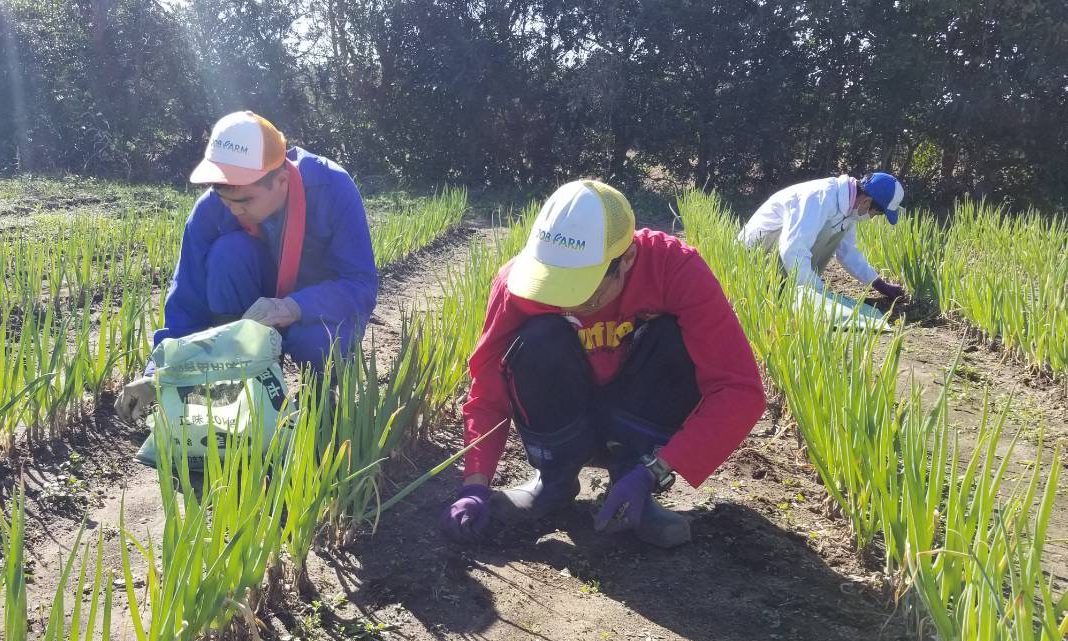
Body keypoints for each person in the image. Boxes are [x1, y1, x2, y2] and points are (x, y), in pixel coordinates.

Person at [442, 181, 766, 548]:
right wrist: (475, 484)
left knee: (674, 340)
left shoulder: (674, 269)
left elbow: (738, 389)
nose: (568, 304)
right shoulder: (517, 285)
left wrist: (657, 471)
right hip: (564, 415)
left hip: (638, 410)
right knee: (537, 338)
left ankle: (634, 476)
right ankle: (554, 480)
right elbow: (488, 385)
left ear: (626, 259)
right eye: (555, 286)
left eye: (582, 289)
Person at [115, 111, 378, 422]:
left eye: (246, 201)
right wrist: (160, 374)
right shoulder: (209, 211)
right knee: (229, 252)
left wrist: (294, 307)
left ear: (281, 180)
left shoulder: (333, 188)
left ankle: (323, 394)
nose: (234, 210)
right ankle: (241, 381)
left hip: (315, 308)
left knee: (319, 342)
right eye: (226, 199)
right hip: (253, 302)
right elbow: (187, 301)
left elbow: (360, 283)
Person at [739, 172, 907, 300]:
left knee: (834, 232)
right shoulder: (819, 197)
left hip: (779, 259)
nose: (872, 218)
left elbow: (848, 253)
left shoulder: (849, 209)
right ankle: (779, 288)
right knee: (823, 231)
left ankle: (791, 288)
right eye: (877, 214)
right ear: (866, 202)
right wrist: (819, 294)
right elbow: (792, 249)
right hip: (752, 260)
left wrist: (880, 285)